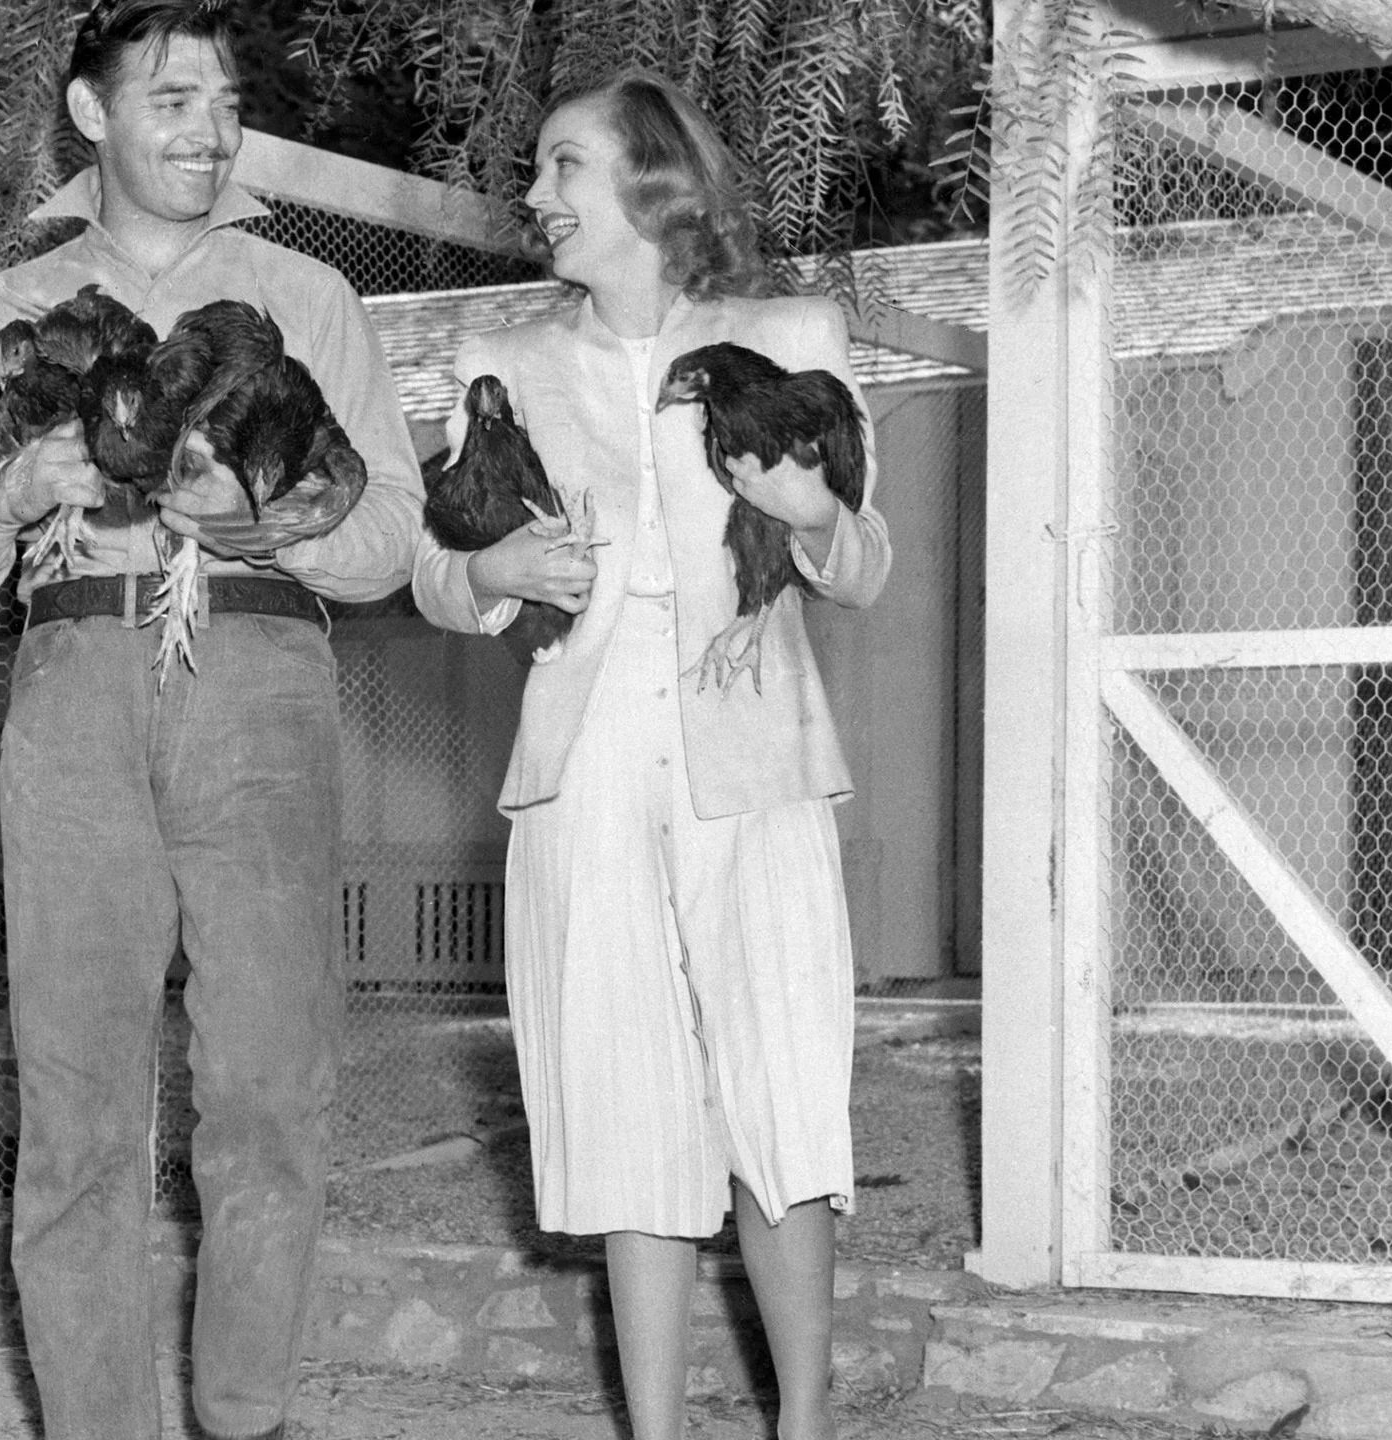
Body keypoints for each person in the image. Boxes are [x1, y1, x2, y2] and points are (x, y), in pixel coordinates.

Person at [0, 2, 424, 1436]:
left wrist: (269, 520)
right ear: (91, 113)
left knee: (270, 1089)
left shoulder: (310, 298)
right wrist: (14, 489)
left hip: (258, 684)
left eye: (226, 99)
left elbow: (387, 544)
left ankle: (244, 1415)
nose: (209, 126)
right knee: (74, 1108)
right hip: (71, 688)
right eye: (174, 98)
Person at [410, 71, 891, 1440]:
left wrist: (808, 516)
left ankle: (803, 1420)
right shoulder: (502, 366)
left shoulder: (791, 334)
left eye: (566, 165)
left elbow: (866, 566)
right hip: (587, 762)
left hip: (755, 759)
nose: (539, 193)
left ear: (653, 183)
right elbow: (445, 581)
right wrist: (493, 566)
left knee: (781, 1088)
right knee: (626, 1103)